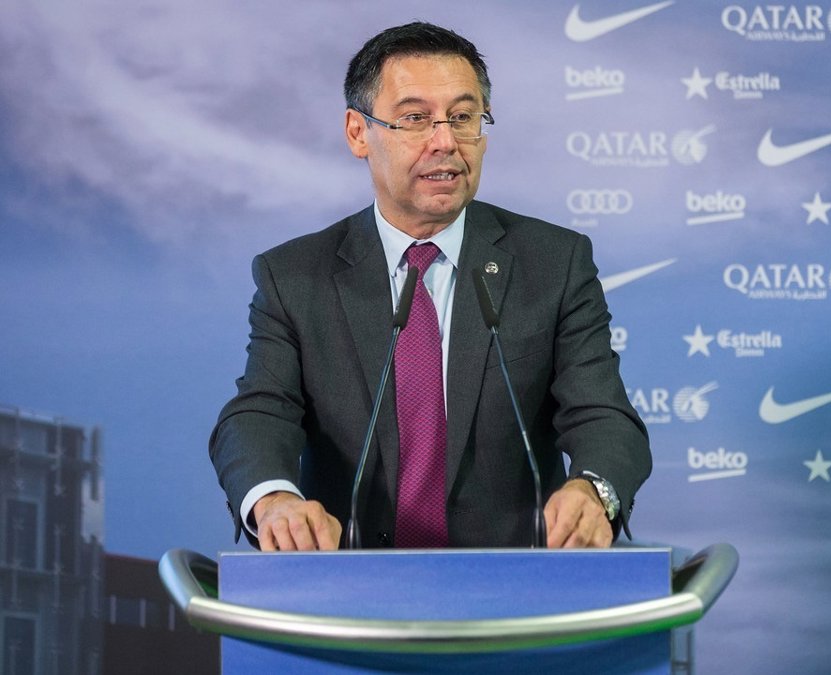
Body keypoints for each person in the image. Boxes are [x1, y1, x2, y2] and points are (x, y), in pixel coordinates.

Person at [209, 22, 651, 551]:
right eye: (415, 119)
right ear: (358, 132)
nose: (445, 142)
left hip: (516, 578)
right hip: (349, 578)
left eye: (463, 118)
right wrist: (275, 500)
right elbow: (260, 412)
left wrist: (594, 490)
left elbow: (603, 414)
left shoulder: (554, 262)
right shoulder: (294, 276)